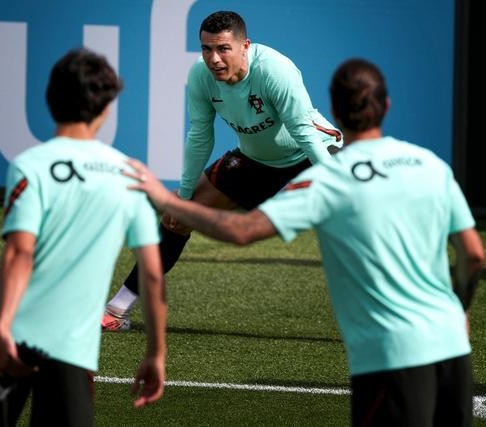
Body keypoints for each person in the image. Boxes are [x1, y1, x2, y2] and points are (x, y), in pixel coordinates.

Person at [123, 58, 485, 426]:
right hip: (453, 347)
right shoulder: (430, 165)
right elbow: (473, 254)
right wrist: (460, 310)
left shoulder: (329, 181)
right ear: (387, 106)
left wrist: (168, 200)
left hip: (391, 356)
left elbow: (242, 231)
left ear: (333, 112)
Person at [0, 48, 167, 426]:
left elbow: (20, 252)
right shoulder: (130, 176)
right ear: (106, 108)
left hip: (9, 335)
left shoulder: (29, 165)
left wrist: (3, 328)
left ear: (50, 99)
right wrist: (156, 353)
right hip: (71, 348)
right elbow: (152, 274)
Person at [102, 10, 342, 331]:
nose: (214, 59)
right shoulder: (200, 76)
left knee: (359, 226)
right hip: (257, 161)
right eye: (206, 49)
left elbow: (304, 133)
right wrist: (183, 197)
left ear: (245, 46)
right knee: (177, 220)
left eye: (223, 49)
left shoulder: (275, 70)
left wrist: (341, 190)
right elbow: (200, 135)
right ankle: (117, 310)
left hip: (314, 152)